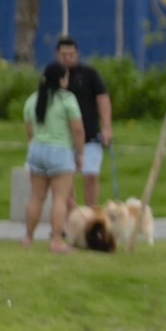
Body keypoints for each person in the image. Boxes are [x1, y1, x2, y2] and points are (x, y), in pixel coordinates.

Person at [21, 60, 86, 254]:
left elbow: (28, 129)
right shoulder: (67, 99)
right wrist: (80, 151)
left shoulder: (33, 99)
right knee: (60, 198)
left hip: (36, 150)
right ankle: (56, 240)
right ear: (60, 79)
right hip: (60, 150)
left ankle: (27, 237)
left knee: (36, 196)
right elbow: (77, 128)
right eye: (66, 76)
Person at [54, 36, 113, 208]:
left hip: (89, 135)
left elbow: (103, 100)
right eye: (63, 54)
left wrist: (107, 128)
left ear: (77, 54)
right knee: (66, 179)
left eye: (71, 54)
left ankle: (91, 212)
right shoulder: (53, 75)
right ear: (57, 54)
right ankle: (70, 217)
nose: (67, 58)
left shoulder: (89, 74)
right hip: (63, 137)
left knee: (90, 174)